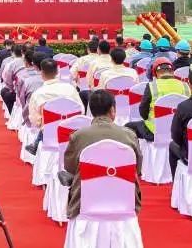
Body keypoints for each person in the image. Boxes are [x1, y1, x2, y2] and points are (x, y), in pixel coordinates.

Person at [61, 89, 142, 220]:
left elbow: (70, 167)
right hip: (123, 196)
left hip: (86, 198)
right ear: (112, 110)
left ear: (92, 111)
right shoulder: (129, 135)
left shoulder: (78, 136)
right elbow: (137, 169)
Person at [126, 58, 189, 142]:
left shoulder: (152, 86)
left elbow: (143, 112)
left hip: (154, 132)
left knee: (128, 127)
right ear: (172, 71)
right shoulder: (185, 86)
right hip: (179, 132)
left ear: (155, 73)